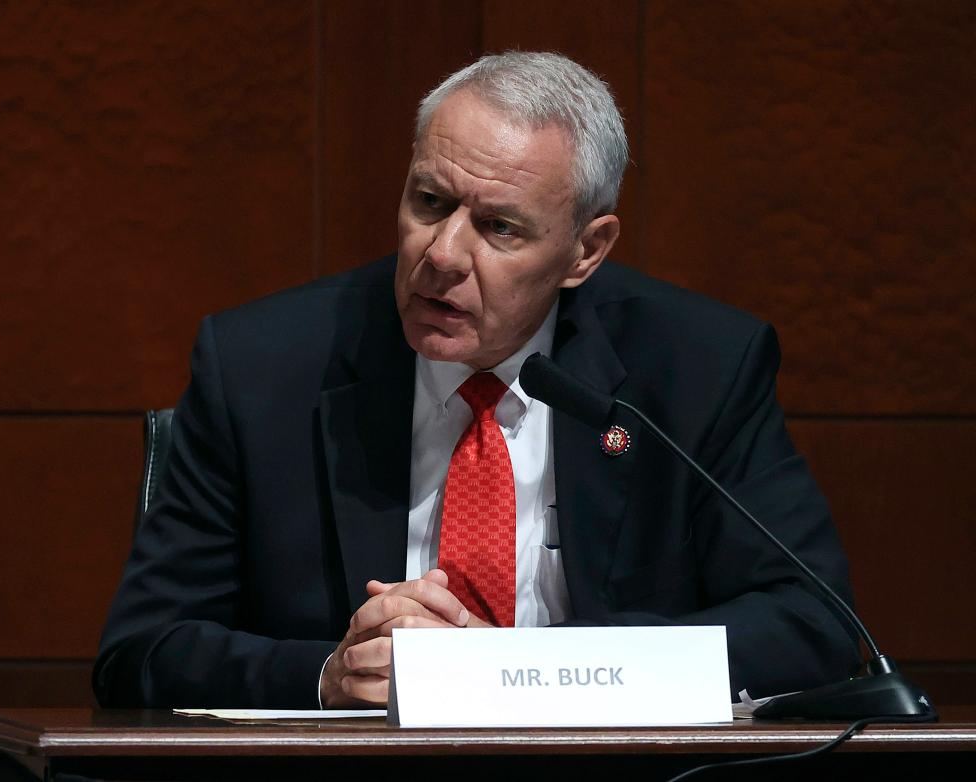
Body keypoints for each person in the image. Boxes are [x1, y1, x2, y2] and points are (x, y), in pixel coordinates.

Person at [94, 52, 861, 710]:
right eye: (429, 202)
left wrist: (533, 675)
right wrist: (328, 673)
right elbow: (140, 651)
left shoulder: (698, 368)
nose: (442, 254)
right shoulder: (263, 366)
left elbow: (813, 625)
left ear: (586, 251)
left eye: (499, 227)